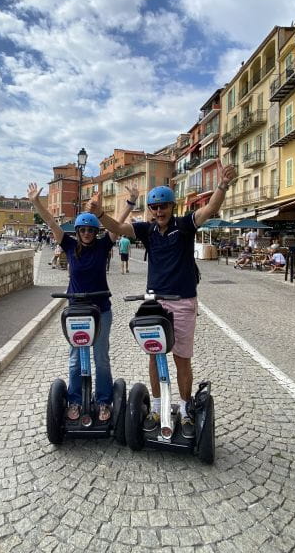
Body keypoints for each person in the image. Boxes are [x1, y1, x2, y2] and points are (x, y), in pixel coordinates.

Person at [90, 164, 237, 439]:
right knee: (155, 355)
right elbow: (118, 228)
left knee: (182, 358)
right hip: (155, 302)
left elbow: (208, 211)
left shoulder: (184, 226)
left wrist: (222, 186)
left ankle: (183, 408)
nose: (159, 212)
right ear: (150, 210)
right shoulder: (147, 230)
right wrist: (99, 213)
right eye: (155, 208)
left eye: (164, 207)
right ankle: (157, 407)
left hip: (182, 301)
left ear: (172, 206)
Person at [28, 182, 138, 422]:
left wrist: (131, 203)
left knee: (101, 358)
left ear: (95, 232)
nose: (87, 233)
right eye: (83, 230)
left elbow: (117, 223)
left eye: (91, 230)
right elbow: (51, 223)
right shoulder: (68, 246)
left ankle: (103, 402)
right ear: (77, 232)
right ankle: (75, 400)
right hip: (76, 311)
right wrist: (37, 202)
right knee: (76, 358)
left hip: (101, 310)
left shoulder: (103, 245)